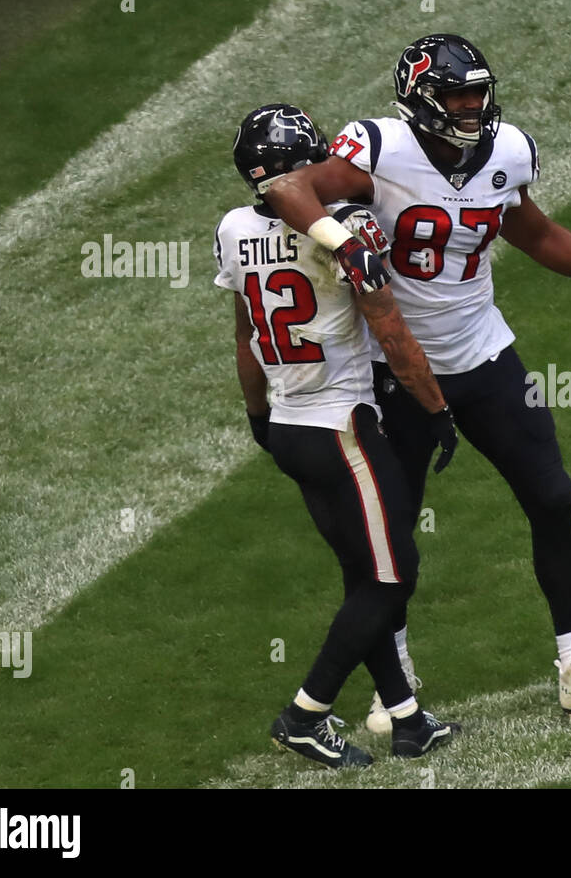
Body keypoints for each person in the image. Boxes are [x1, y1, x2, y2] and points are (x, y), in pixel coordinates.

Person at [263, 35, 571, 730]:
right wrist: (340, 239)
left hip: (485, 355)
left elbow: (532, 232)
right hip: (396, 373)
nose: (472, 106)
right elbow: (290, 188)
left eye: (477, 91)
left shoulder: (507, 150)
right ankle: (396, 689)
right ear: (421, 102)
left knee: (552, 495)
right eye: (456, 95)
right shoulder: (379, 147)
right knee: (391, 541)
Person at [216, 103, 461, 768]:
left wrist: (257, 415)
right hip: (341, 424)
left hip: (290, 424)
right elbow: (388, 326)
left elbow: (244, 334)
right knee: (393, 576)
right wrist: (436, 408)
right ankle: (306, 713)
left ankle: (408, 718)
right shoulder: (345, 230)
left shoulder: (234, 228)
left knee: (363, 572)